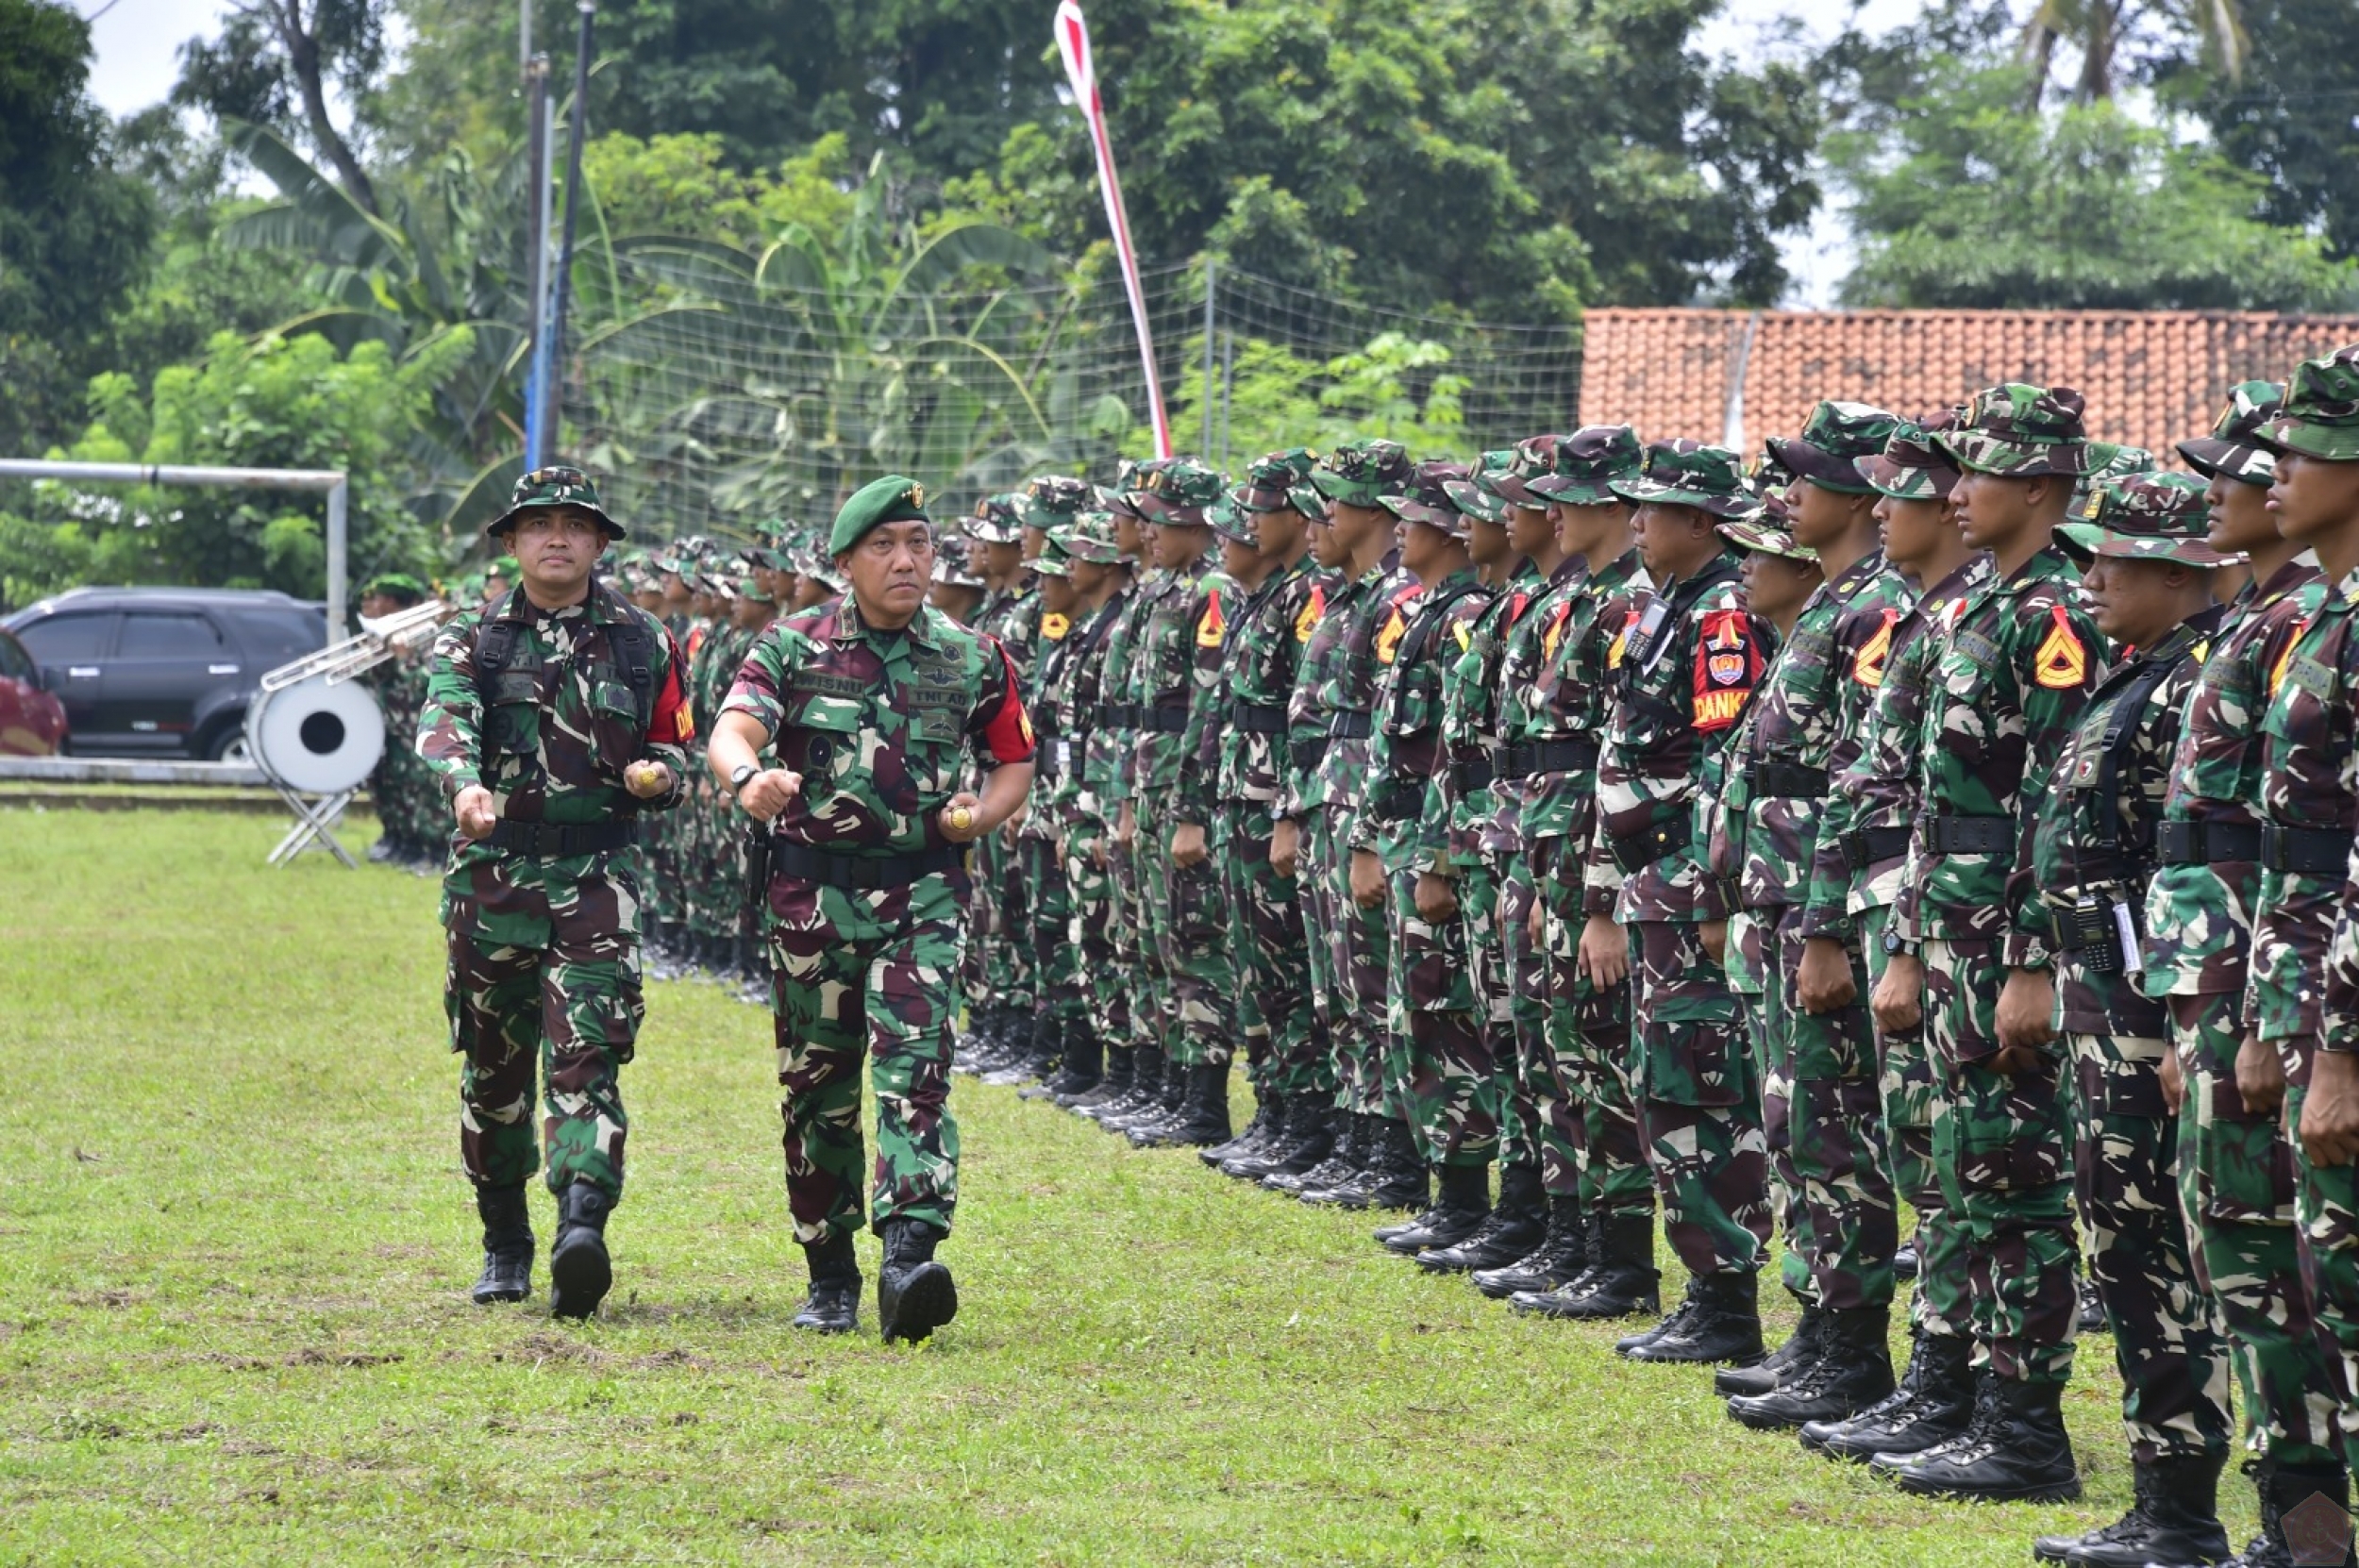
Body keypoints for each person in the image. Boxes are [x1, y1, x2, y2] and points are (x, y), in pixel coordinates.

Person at [706, 475, 1035, 1343]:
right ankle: (830, 1273)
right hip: (812, 892)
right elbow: (732, 728)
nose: (905, 561)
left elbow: (1013, 759)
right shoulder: (792, 647)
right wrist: (751, 778)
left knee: (915, 1071)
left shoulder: (970, 654)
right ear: (847, 561)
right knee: (817, 1089)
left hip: (924, 889)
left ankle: (909, 1258)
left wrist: (985, 812)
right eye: (884, 547)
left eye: (919, 544)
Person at [1870, 383, 2104, 1503]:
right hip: (1954, 930)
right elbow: (1940, 806)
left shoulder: (2054, 617)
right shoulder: (1984, 608)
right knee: (1960, 1173)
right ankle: (1950, 1388)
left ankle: (2023, 1431)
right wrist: (1918, 940)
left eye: (1979, 474)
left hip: (2007, 939)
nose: (1954, 495)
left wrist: (2031, 960)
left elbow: (2057, 811)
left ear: (2042, 488)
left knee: (2013, 1183)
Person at [2142, 383, 2346, 1567]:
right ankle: (2299, 1535)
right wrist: (2204, 1011)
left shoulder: (2313, 623)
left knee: (2294, 1277)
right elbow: (2234, 844)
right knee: (2254, 1265)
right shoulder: (2288, 621)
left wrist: (2282, 1026)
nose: (2258, 477)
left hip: (2301, 1004)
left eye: (2291, 454)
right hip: (2248, 994)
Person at [415, 465, 693, 1318]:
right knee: (496, 1071)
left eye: (577, 524)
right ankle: (505, 1240)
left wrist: (659, 777)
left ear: (603, 542)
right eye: (539, 524)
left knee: (587, 1056)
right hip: (493, 879)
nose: (558, 537)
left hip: (596, 880)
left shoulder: (645, 640)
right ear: (511, 541)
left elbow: (678, 741)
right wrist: (464, 786)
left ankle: (582, 1227)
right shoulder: (473, 637)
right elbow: (444, 720)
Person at [2026, 472, 2237, 1566]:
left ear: (2173, 570)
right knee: (2123, 1239)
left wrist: (2170, 1020)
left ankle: (2181, 1515)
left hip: (2145, 1010)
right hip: (2104, 1002)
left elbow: (2187, 866)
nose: (2090, 579)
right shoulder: (2138, 678)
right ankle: (2164, 1502)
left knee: (2152, 1250)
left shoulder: (2192, 685)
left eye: (2110, 560)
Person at [1799, 415, 1993, 1464]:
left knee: (1962, 1176)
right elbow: (1872, 790)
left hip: (1963, 936)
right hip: (1904, 919)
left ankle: (1966, 1397)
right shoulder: (1933, 617)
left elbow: (2009, 808)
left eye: (1908, 493)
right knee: (1925, 1165)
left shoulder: (2007, 617)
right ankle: (1922, 1380)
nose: (1887, 510)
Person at [1718, 401, 1913, 1432]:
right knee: (1798, 1131)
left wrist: (1828, 922)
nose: (1786, 493)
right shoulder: (1837, 601)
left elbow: (1858, 783)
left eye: (1806, 475)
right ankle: (1816, 1330)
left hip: (1819, 904)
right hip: (1785, 900)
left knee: (1837, 1139)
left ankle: (1851, 1351)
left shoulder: (1876, 612)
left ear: (1861, 493)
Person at [1591, 439, 1775, 1365]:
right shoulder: (1661, 607)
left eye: (1653, 511)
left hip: (1686, 882)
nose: (1635, 523)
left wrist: (1710, 886)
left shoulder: (1722, 619)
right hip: (1651, 882)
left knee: (1699, 1085)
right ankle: (1705, 1287)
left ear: (1701, 523)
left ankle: (1726, 1294)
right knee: (1664, 1083)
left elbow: (1722, 761)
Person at [1497, 426, 1661, 1317]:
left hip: (1590, 869)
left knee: (1598, 1060)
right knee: (1561, 1059)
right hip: (1555, 860)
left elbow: (1616, 761)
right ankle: (1578, 1240)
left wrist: (1593, 890)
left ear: (1608, 504)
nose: (1547, 511)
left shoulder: (1630, 606)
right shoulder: (1579, 599)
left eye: (1564, 496)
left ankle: (1619, 1257)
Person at [2249, 348, 2359, 1564]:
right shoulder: (2323, 614)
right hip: (2302, 1002)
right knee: (2317, 1309)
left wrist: (2338, 1051)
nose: (2278, 473)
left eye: (2307, 449)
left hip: (2344, 1031)